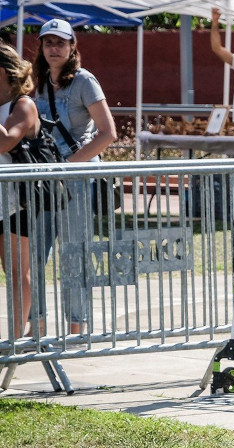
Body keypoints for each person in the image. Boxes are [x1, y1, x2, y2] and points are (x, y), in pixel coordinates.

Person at [34, 18, 117, 337]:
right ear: (41, 47)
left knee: (74, 253)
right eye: (48, 43)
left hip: (76, 179)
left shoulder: (84, 81)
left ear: (72, 47)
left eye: (60, 43)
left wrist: (68, 164)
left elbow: (107, 133)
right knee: (33, 253)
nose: (54, 49)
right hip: (42, 180)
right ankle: (36, 326)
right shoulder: (36, 81)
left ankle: (77, 326)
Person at [0, 43, 47, 340]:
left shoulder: (24, 105)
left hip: (16, 201)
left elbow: (6, 141)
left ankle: (15, 341)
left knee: (17, 270)